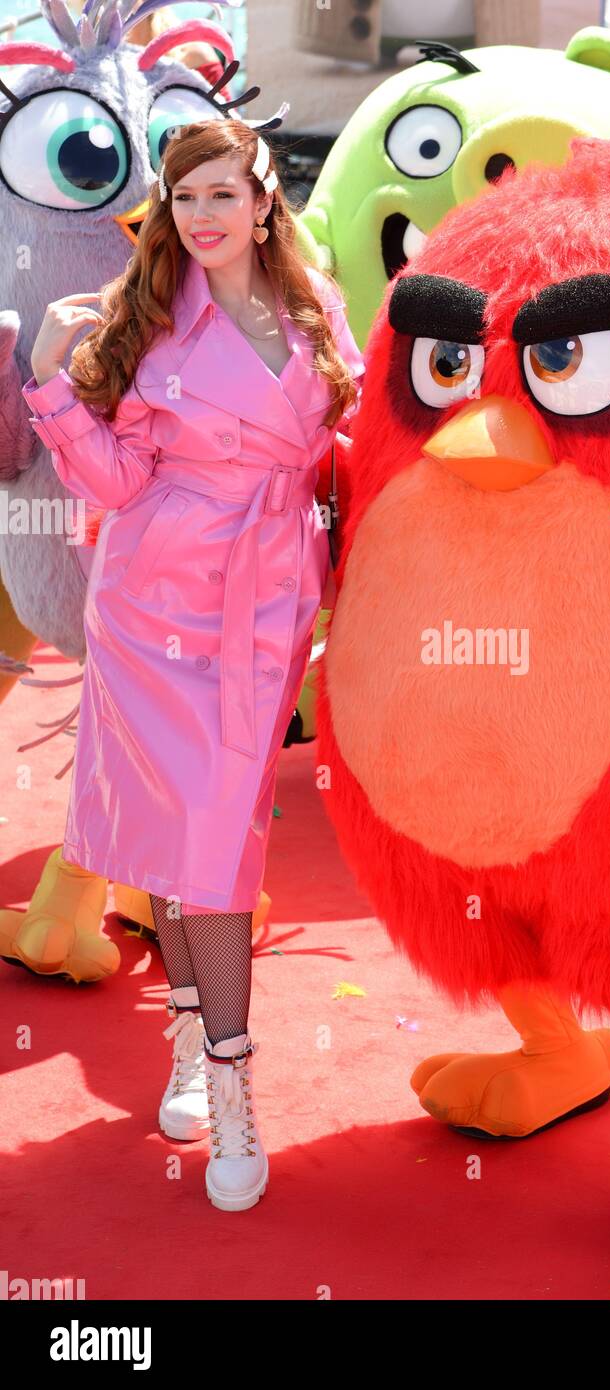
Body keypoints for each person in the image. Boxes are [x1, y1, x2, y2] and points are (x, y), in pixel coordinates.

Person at [21, 118, 364, 1210]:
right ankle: (226, 1077)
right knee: (191, 851)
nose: (203, 217)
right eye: (184, 199)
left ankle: (188, 1038)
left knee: (210, 840)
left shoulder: (319, 310)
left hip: (268, 608)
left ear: (264, 200)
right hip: (156, 602)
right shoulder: (144, 318)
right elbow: (115, 483)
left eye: (222, 193)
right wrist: (50, 385)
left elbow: (336, 443)